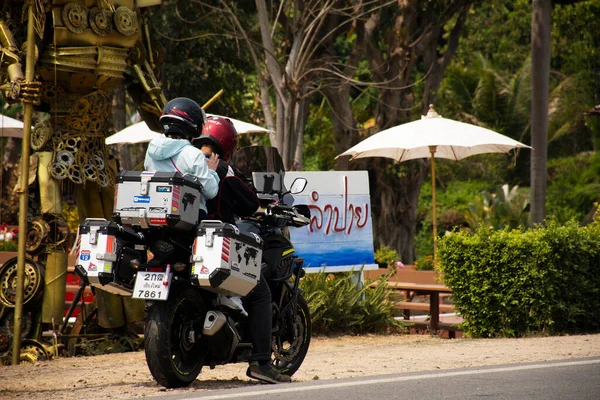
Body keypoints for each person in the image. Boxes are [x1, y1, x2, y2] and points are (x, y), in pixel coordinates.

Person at [193, 116, 291, 384]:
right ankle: (261, 362)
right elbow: (249, 203)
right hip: (216, 243)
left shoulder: (185, 163)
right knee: (260, 292)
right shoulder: (223, 169)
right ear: (228, 144)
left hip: (186, 244)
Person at [144, 98, 220, 218]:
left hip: (154, 211)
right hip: (188, 217)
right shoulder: (194, 154)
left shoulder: (150, 150)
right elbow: (211, 192)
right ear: (191, 124)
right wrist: (211, 171)